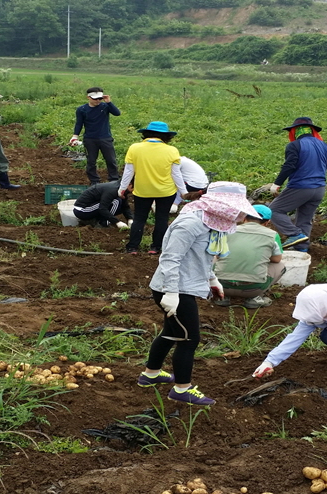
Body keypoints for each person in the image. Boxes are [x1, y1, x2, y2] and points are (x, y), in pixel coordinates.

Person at [139, 181, 259, 406]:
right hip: (175, 289)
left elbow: (201, 257)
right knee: (189, 339)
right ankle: (181, 389)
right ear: (222, 206)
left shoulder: (210, 223)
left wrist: (212, 279)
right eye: (237, 209)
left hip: (187, 285)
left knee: (172, 332)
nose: (240, 214)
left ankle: (151, 374)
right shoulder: (190, 223)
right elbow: (170, 258)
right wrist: (172, 292)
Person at [261, 117, 327, 252]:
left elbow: (289, 165)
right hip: (319, 189)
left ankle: (295, 234)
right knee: (304, 219)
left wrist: (277, 183)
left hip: (301, 187)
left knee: (274, 210)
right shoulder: (325, 146)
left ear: (295, 131)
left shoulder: (295, 145)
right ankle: (301, 249)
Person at [117, 121, 188, 255]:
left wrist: (122, 188)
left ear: (146, 134)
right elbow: (176, 174)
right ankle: (156, 247)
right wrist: (184, 192)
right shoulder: (171, 150)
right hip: (166, 191)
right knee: (161, 219)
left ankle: (132, 247)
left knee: (139, 219)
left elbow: (128, 172)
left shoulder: (135, 148)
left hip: (143, 191)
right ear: (166, 136)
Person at [213, 204, 285, 309]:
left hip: (222, 285)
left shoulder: (227, 230)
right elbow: (277, 259)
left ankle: (221, 297)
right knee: (280, 266)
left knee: (215, 259)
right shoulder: (272, 235)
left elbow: (218, 256)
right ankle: (255, 298)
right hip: (252, 289)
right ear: (267, 222)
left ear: (244, 218)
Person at [70, 87, 121, 185]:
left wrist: (109, 102)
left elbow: (117, 113)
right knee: (91, 161)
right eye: (95, 98)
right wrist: (75, 136)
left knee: (111, 160)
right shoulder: (82, 109)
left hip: (105, 138)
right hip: (90, 139)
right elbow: (79, 123)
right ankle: (94, 181)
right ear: (88, 97)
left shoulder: (105, 107)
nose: (98, 101)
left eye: (100, 98)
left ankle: (114, 180)